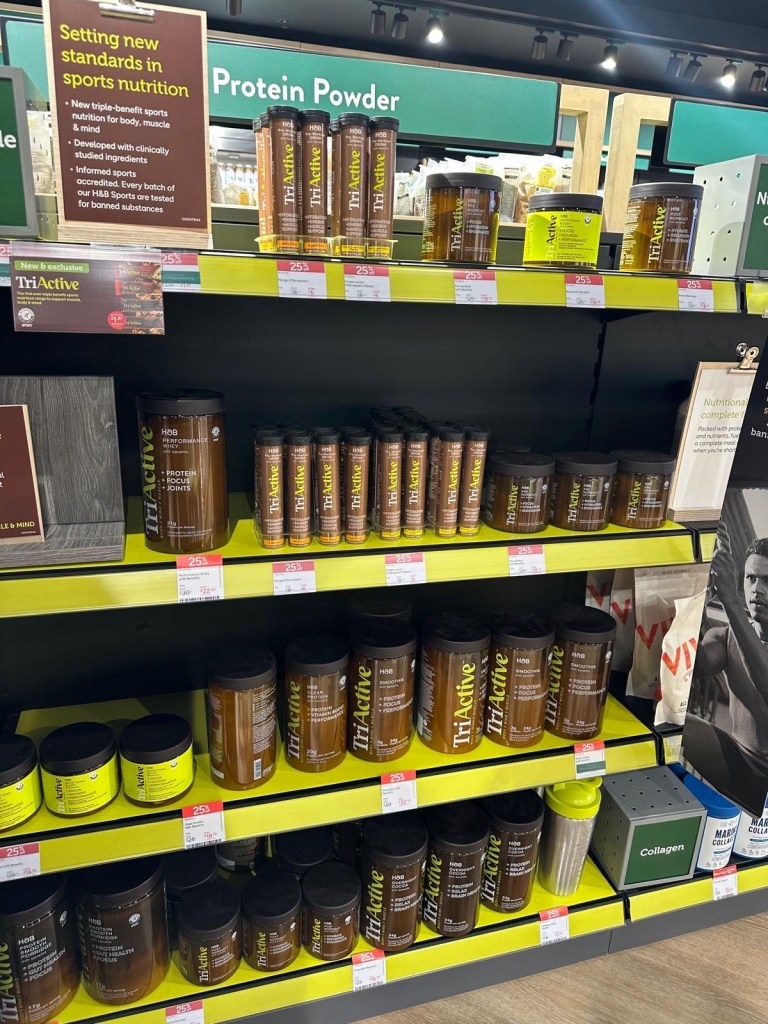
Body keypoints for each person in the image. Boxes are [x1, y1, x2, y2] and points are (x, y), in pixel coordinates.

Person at [683, 521, 768, 814]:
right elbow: (695, 668)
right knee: (672, 722)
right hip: (738, 757)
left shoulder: (734, 619)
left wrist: (730, 599)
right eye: (751, 578)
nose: (758, 590)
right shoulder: (726, 635)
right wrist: (701, 590)